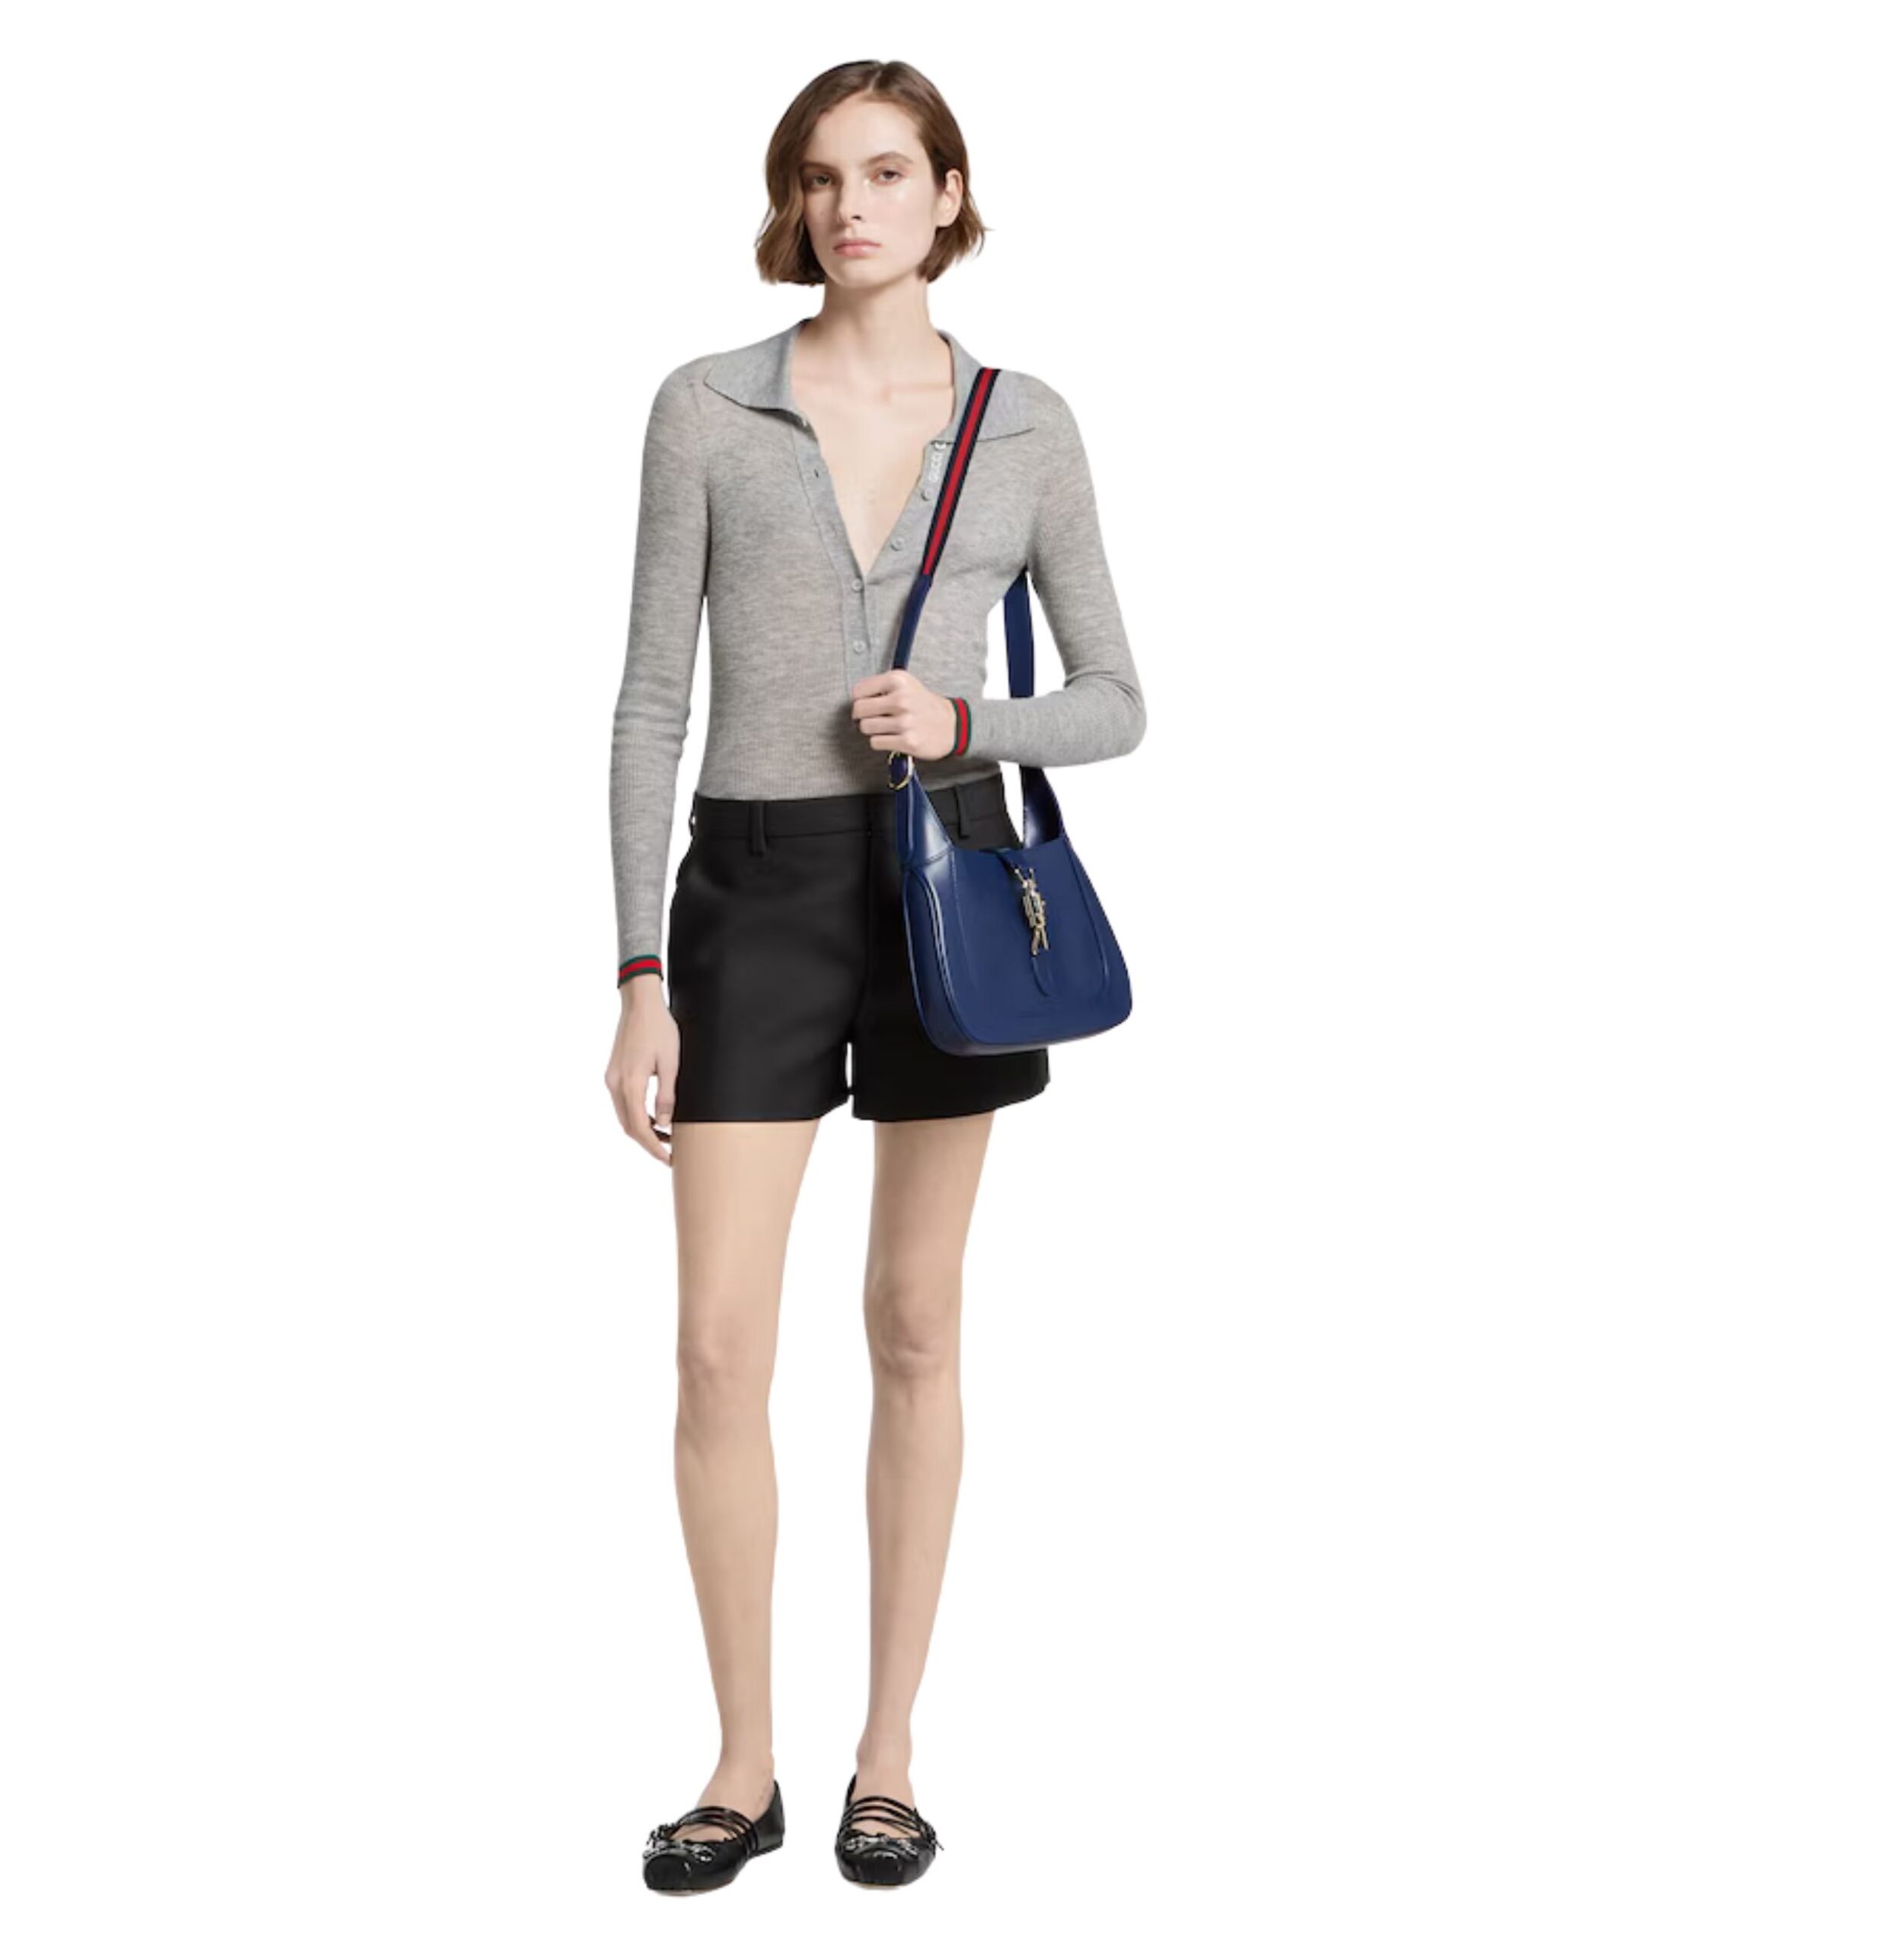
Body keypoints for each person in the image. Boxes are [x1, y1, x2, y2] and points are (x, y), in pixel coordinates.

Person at [606, 60, 1145, 1894]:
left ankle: (886, 1755)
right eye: (822, 177)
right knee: (714, 1343)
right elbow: (650, 702)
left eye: (888, 172)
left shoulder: (1024, 422)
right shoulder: (703, 407)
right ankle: (740, 1761)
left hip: (946, 884)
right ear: (794, 204)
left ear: (946, 194)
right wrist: (639, 970)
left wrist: (966, 719)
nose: (852, 206)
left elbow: (1116, 695)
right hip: (751, 888)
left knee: (914, 1320)